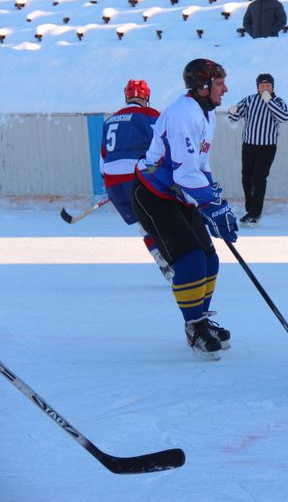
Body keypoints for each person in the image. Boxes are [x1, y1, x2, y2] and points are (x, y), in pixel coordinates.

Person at [133, 59, 238, 360]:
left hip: (179, 195)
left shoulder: (207, 114)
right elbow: (183, 173)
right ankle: (194, 325)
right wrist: (209, 204)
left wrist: (216, 200)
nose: (225, 88)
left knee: (209, 259)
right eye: (219, 83)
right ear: (203, 87)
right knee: (191, 260)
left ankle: (201, 319)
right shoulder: (182, 114)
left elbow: (199, 165)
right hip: (154, 196)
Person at [99, 80, 173, 283]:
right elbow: (163, 146)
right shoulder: (151, 115)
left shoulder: (110, 121)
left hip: (114, 184)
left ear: (126, 96)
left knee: (144, 223)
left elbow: (103, 159)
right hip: (138, 178)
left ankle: (161, 259)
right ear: (146, 96)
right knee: (164, 217)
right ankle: (175, 259)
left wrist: (111, 184)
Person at [227, 73, 288, 226]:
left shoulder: (278, 101)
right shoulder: (250, 100)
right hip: (248, 145)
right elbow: (233, 117)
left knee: (258, 179)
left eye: (268, 85)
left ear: (273, 87)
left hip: (267, 147)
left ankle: (256, 214)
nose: (265, 88)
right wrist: (232, 110)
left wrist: (269, 101)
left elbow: (284, 117)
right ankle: (250, 211)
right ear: (257, 87)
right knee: (246, 178)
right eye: (262, 86)